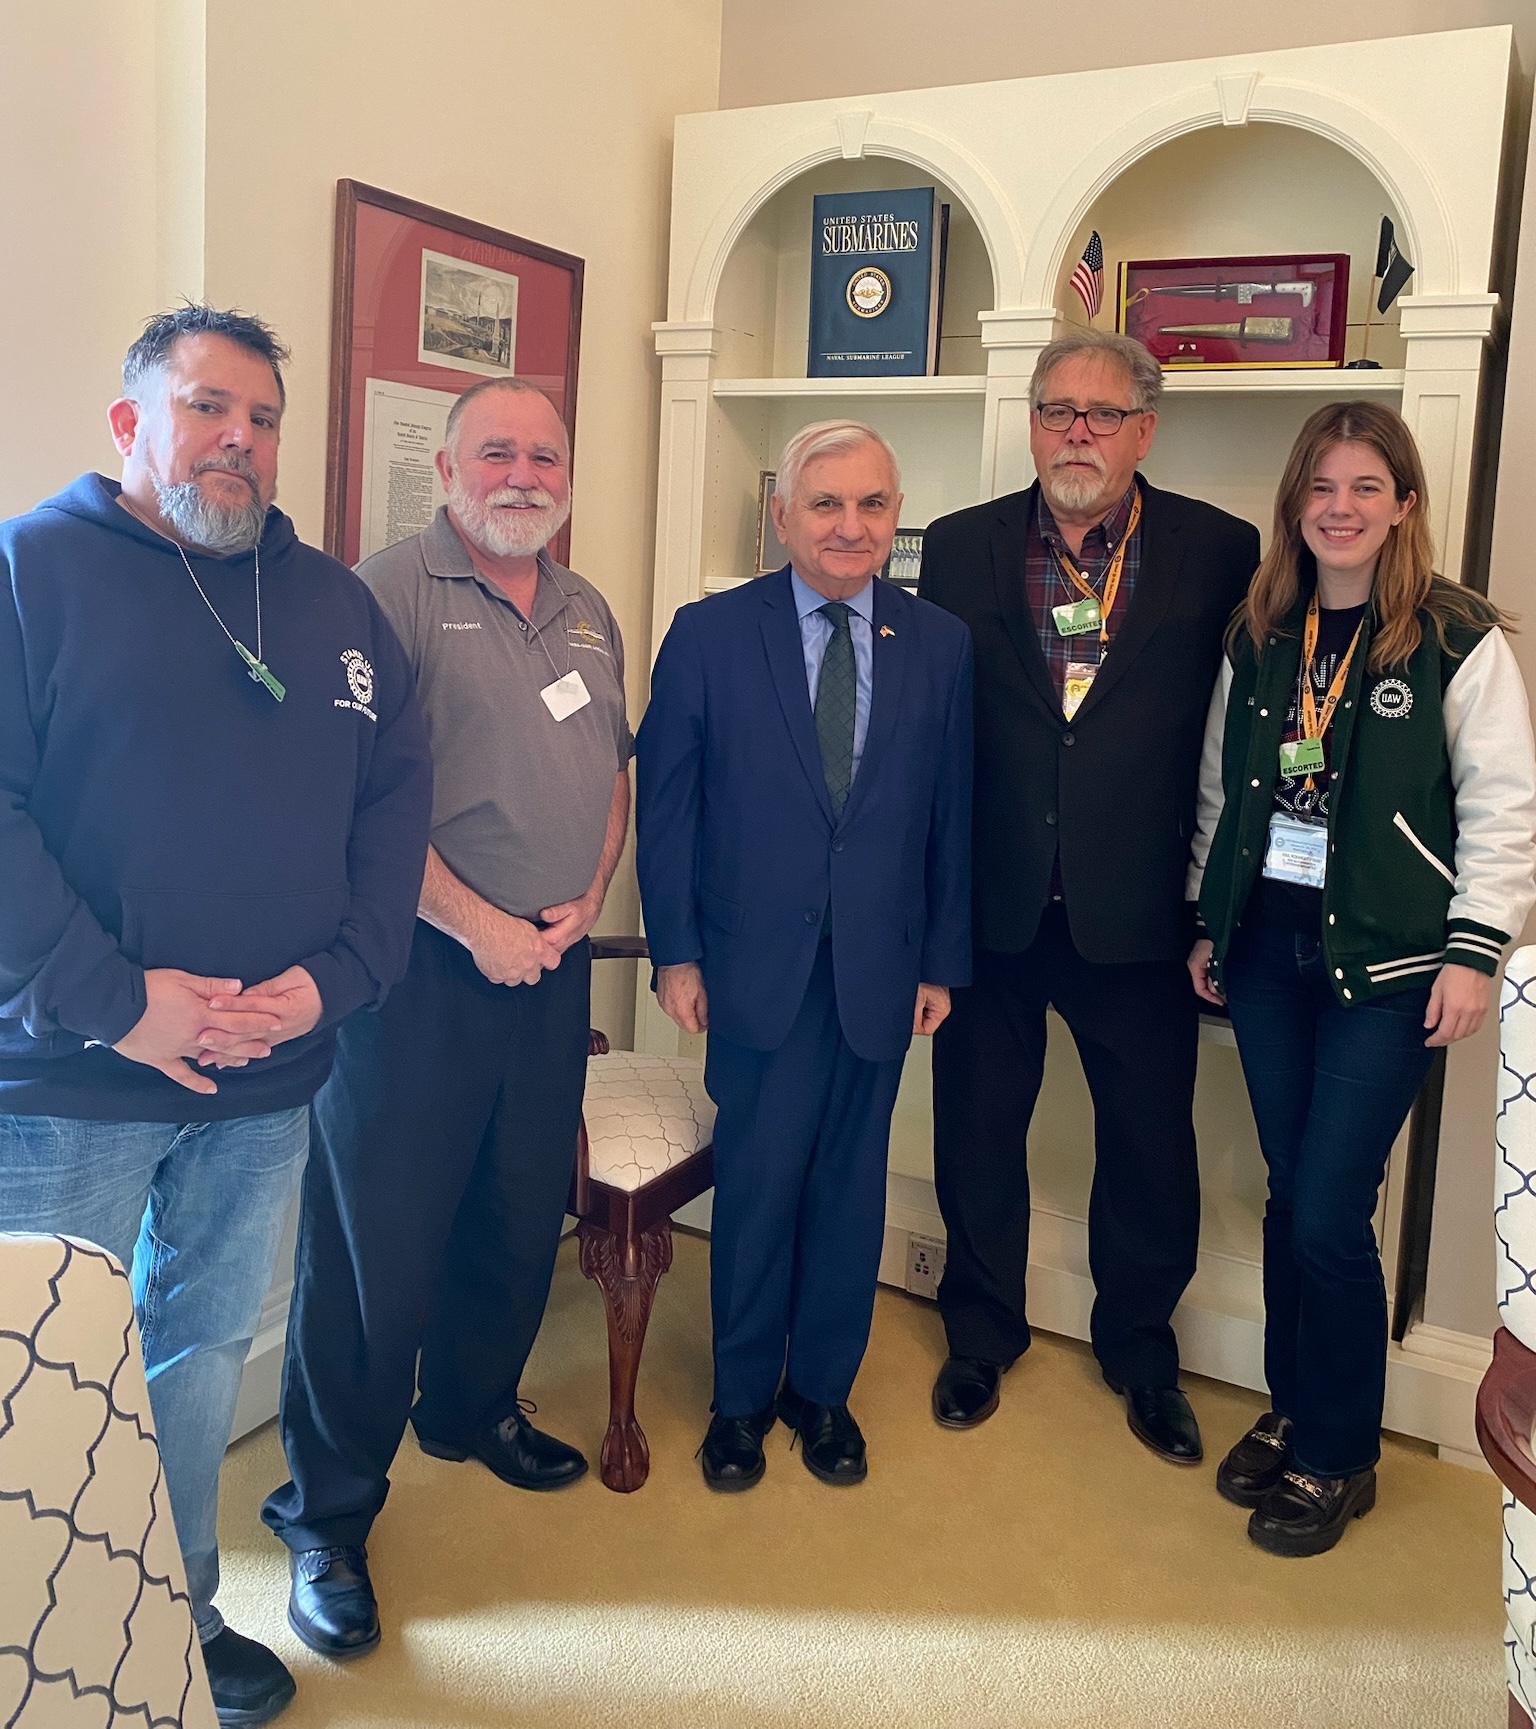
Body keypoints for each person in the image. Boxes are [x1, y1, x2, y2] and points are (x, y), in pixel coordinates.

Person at [0, 305, 432, 1726]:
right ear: (131, 423)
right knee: (51, 1372)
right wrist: (121, 1004)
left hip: (268, 1079)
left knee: (193, 1358)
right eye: (206, 408)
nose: (238, 440)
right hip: (74, 1082)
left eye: (260, 417)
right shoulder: (31, 569)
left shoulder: (332, 604)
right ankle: (40, 1650)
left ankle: (169, 1608)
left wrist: (338, 979)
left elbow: (391, 804)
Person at [261, 378, 632, 1656]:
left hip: (551, 964)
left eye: (546, 453)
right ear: (447, 469)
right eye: (498, 451)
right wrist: (476, 924)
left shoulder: (588, 609)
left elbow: (610, 778)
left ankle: (471, 1408)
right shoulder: (380, 595)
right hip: (414, 975)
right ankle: (328, 1515)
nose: (525, 473)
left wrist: (585, 900)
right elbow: (357, 805)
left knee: (519, 1211)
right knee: (377, 1248)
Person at [1188, 401, 1536, 1555]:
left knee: (1333, 1208)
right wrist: (1208, 915)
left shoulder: (1454, 635)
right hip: (1270, 953)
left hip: (1389, 966)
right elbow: (1222, 789)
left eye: (1365, 488)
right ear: (1294, 504)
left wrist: (1477, 947)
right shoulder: (1262, 631)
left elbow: (1501, 805)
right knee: (1295, 1196)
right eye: (1321, 488)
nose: (1340, 508)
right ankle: (1298, 1410)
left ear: (1403, 506)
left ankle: (1341, 1452)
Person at [917, 329, 1260, 1463]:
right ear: (1031, 421)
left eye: (1101, 415)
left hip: (1139, 911)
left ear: (1145, 430)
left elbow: (1237, 733)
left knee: (1152, 1148)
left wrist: (1220, 900)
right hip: (995, 906)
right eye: (1057, 409)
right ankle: (979, 1331)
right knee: (975, 1129)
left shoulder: (1221, 551)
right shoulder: (961, 549)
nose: (1077, 432)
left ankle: (1141, 1350)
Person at [636, 419, 972, 1491]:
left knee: (849, 1189)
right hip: (752, 971)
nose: (850, 525)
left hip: (881, 970)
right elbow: (670, 811)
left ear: (895, 514)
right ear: (783, 512)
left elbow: (950, 820)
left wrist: (942, 963)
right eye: (826, 503)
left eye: (873, 504)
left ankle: (820, 1394)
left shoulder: (940, 644)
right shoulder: (707, 633)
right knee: (760, 1185)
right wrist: (676, 952)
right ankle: (739, 1403)